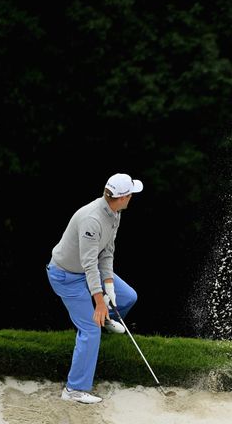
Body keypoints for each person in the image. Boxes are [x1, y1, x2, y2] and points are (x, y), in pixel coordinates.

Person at [46, 173, 143, 404]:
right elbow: (89, 264)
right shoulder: (93, 219)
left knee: (128, 296)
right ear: (121, 197)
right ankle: (73, 390)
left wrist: (108, 285)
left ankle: (106, 322)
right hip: (67, 276)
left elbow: (107, 252)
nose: (132, 197)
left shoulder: (114, 213)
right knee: (90, 330)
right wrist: (99, 302)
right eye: (130, 194)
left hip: (87, 271)